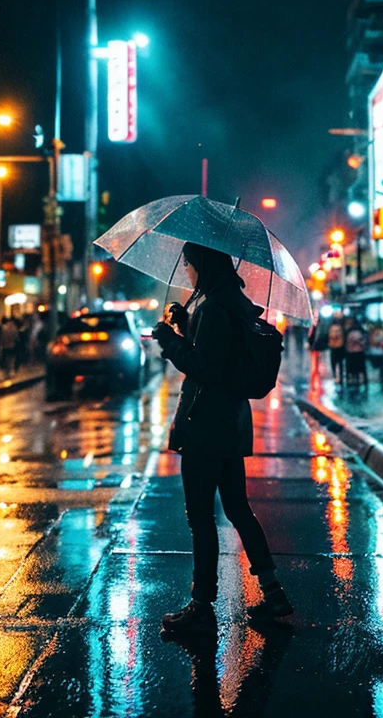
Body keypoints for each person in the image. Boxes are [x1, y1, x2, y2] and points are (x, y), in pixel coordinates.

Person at [152, 241, 293, 636]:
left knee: (200, 516)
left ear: (203, 265)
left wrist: (169, 340)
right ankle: (272, 590)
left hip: (205, 425)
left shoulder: (214, 307)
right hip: (229, 423)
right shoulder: (231, 301)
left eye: (190, 265)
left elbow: (205, 367)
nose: (187, 272)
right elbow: (220, 355)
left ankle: (201, 604)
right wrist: (185, 327)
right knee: (237, 508)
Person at [344, 317, 367, 390]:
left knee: (352, 368)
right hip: (359, 352)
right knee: (359, 368)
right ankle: (360, 381)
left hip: (351, 352)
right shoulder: (360, 332)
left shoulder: (349, 332)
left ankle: (353, 381)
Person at [327, 312, 346, 386]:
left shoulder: (331, 327)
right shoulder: (341, 327)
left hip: (333, 347)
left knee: (334, 363)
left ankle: (335, 376)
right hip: (340, 346)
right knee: (340, 363)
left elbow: (330, 336)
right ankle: (340, 377)